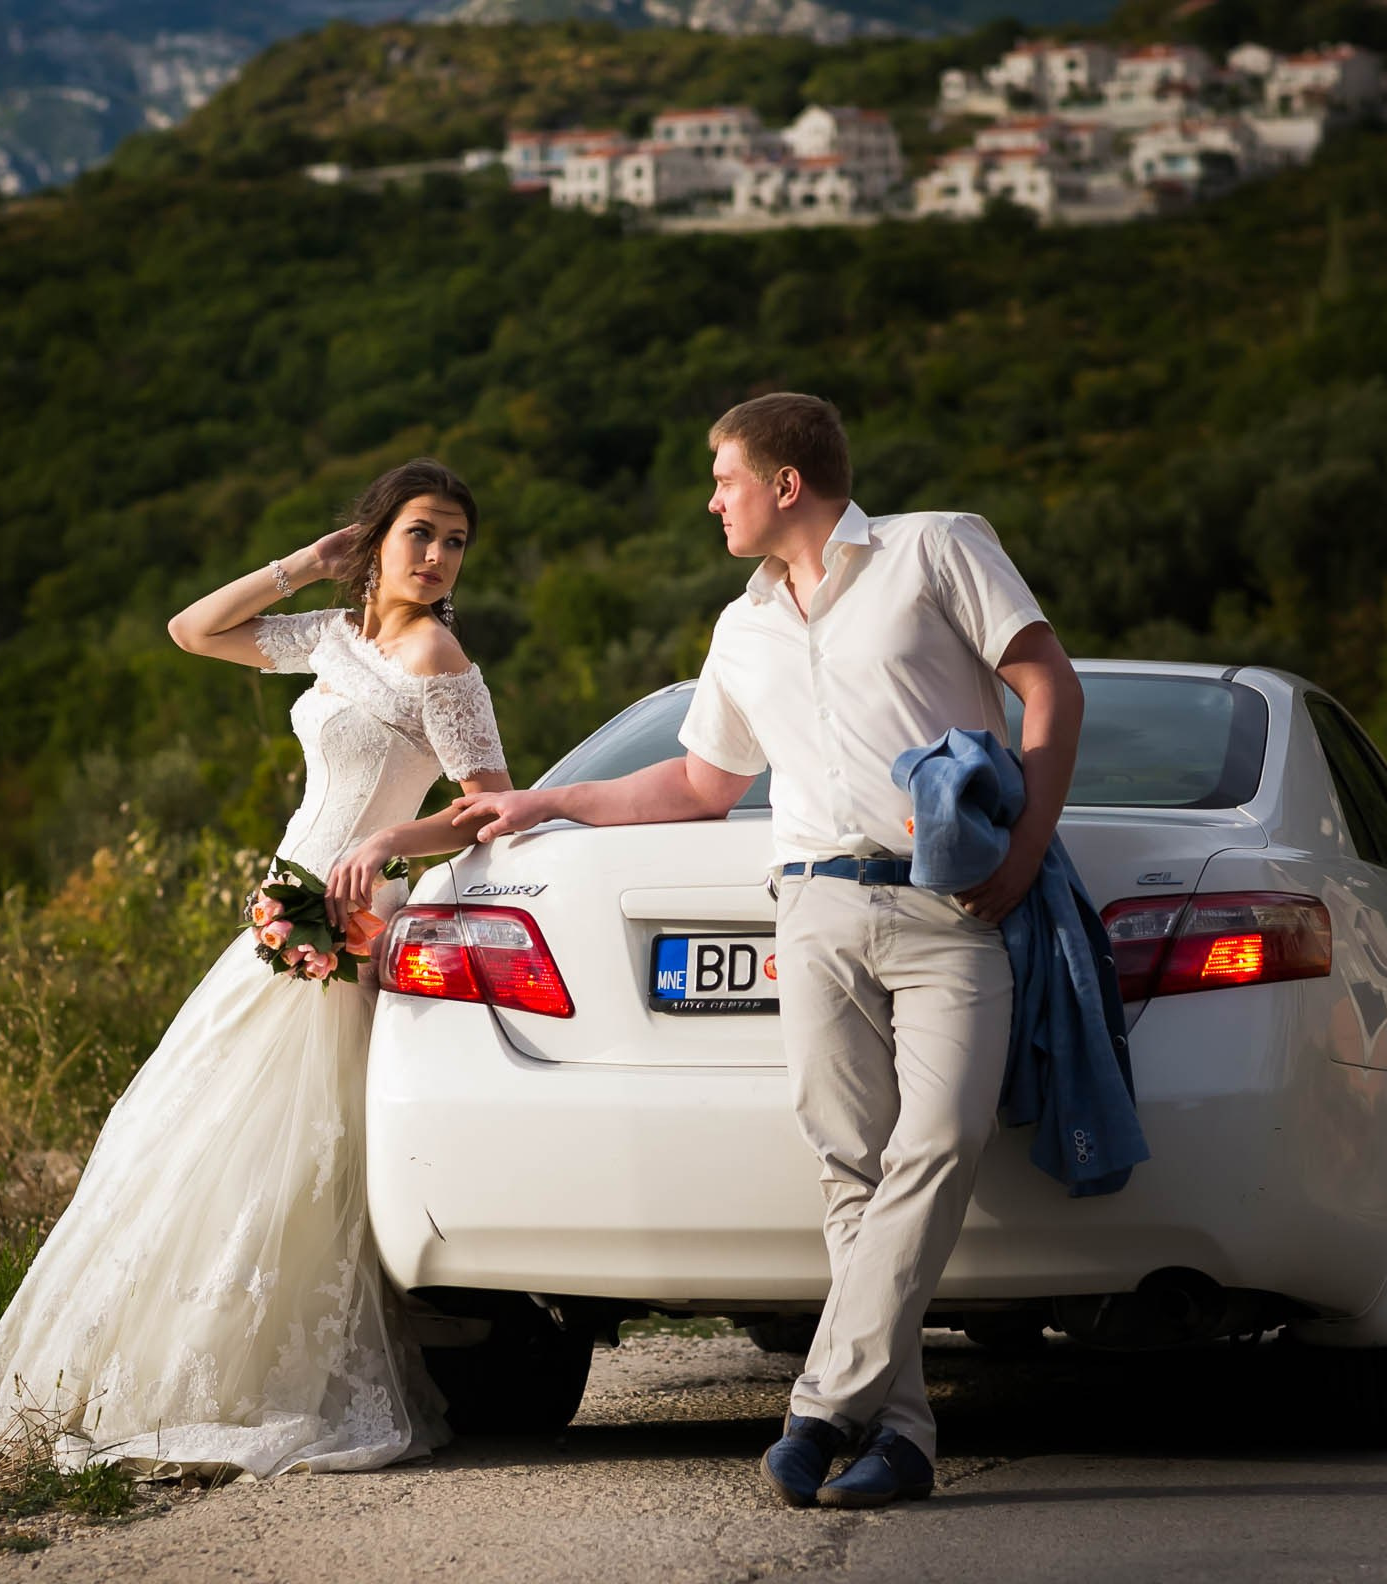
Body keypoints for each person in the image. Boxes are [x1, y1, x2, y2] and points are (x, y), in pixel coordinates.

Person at [450, 394, 1083, 1509]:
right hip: (815, 910)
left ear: (786, 484)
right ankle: (901, 1441)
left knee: (939, 1144)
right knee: (849, 1166)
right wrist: (545, 802)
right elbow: (700, 784)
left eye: (725, 478)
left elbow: (1049, 683)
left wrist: (1027, 850)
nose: (712, 500)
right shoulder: (740, 626)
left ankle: (821, 1405)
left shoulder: (936, 547)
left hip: (955, 907)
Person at [0, 459, 513, 1477]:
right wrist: (304, 564)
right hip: (283, 902)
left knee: (298, 1143)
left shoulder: (439, 657)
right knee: (199, 1126)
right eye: (420, 534)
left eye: (456, 542)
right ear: (377, 538)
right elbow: (191, 630)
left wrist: (394, 837)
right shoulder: (336, 641)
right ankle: (154, 1365)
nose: (438, 558)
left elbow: (489, 802)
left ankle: (262, 1373)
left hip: (347, 915)